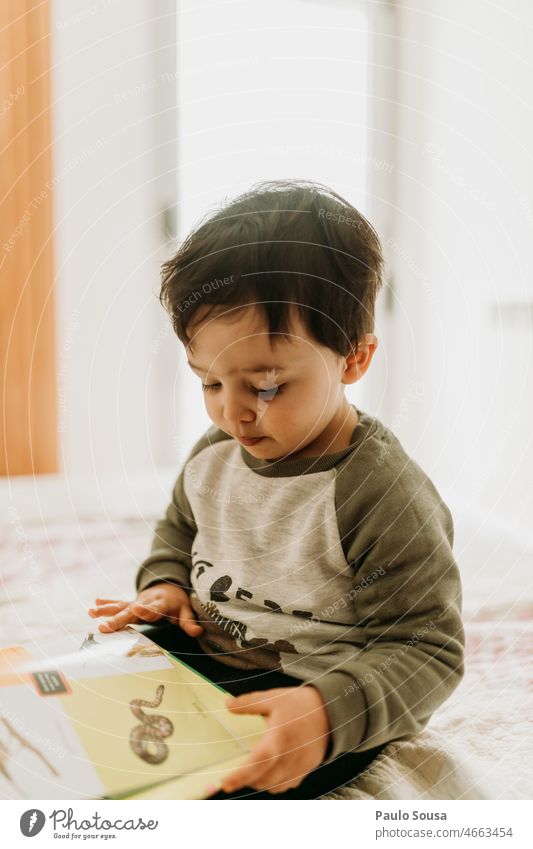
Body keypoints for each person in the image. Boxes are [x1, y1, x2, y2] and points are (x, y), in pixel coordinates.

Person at [88, 179, 465, 800]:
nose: (231, 414)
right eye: (209, 382)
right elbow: (178, 533)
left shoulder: (378, 490)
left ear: (353, 358)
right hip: (205, 665)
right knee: (89, 685)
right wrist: (163, 585)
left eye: (264, 387)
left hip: (314, 699)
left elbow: (427, 650)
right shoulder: (216, 456)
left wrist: (322, 714)